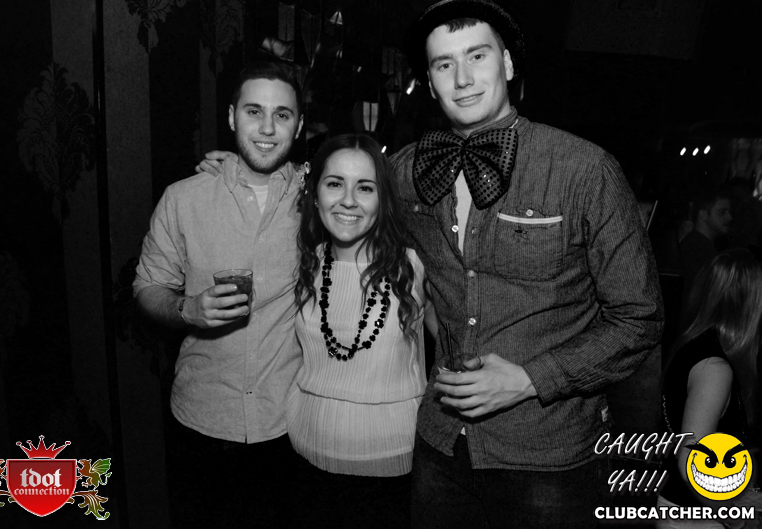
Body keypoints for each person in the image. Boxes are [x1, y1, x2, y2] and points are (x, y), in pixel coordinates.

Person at [392, 1, 665, 527]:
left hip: (548, 458)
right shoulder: (407, 172)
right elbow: (342, 208)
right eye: (445, 64)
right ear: (429, 82)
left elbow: (640, 318)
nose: (462, 78)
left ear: (508, 64)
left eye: (477, 56)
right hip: (440, 447)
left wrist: (529, 379)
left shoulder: (583, 170)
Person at [133, 61, 305, 528]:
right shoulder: (184, 198)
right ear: (231, 117)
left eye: (282, 115)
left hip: (288, 427)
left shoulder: (319, 199)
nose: (267, 128)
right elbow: (147, 287)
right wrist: (186, 308)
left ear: (299, 125)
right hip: (201, 423)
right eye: (253, 111)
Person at [286, 133, 437, 529]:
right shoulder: (304, 262)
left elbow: (461, 345)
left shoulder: (414, 267)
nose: (348, 200)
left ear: (382, 200)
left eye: (365, 188)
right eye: (335, 183)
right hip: (305, 456)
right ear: (315, 194)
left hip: (393, 465)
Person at [658, 249, 762, 528]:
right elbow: (690, 460)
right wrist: (737, 518)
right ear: (749, 302)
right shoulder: (714, 366)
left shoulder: (695, 348)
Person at [680, 189, 732, 295]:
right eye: (722, 212)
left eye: (729, 212)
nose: (729, 217)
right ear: (703, 215)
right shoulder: (697, 249)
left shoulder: (698, 244)